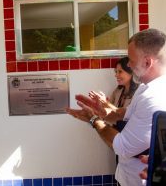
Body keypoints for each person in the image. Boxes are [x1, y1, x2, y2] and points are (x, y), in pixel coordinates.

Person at [66, 28, 166, 186]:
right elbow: (125, 114)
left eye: (131, 60)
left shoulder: (154, 98)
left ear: (147, 62)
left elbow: (122, 147)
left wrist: (93, 119)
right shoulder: (145, 87)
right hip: (126, 177)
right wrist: (104, 112)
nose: (129, 65)